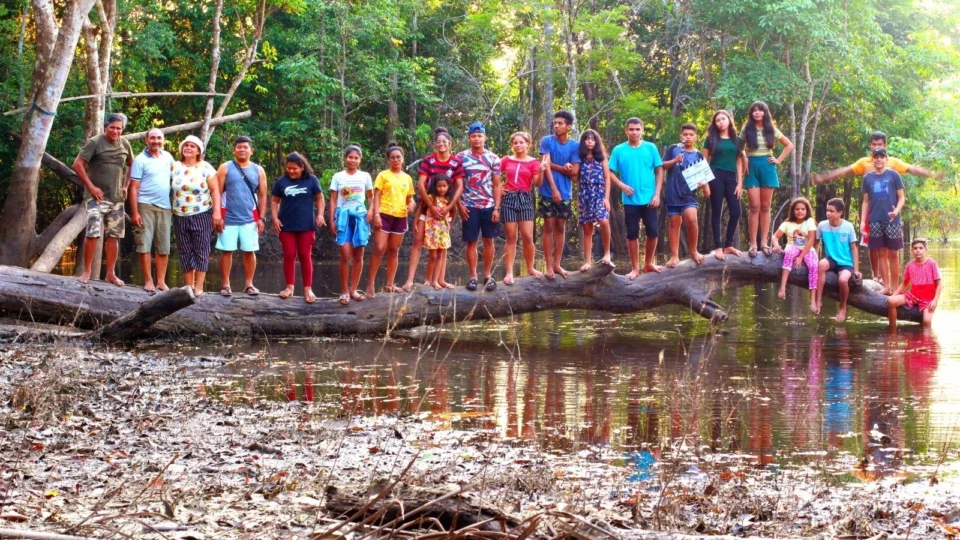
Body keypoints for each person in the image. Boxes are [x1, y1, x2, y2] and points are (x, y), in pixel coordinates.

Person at [813, 131, 943, 284]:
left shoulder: (893, 164)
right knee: (873, 246)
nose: (876, 147)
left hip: (890, 213)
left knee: (889, 251)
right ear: (870, 146)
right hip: (872, 212)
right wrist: (825, 177)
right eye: (874, 145)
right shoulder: (864, 163)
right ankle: (876, 276)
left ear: (885, 146)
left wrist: (932, 174)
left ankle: (889, 282)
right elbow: (846, 170)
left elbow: (912, 169)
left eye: (879, 145)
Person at [73, 113, 134, 286]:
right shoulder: (95, 142)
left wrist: (125, 185)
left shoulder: (125, 144)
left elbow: (131, 164)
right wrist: (91, 187)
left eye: (119, 128)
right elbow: (77, 164)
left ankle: (110, 274)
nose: (115, 131)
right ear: (105, 127)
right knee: (92, 233)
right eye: (112, 127)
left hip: (116, 198)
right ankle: (87, 272)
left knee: (114, 236)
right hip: (96, 197)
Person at [402, 127, 465, 291]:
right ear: (434, 144)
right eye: (438, 142)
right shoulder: (428, 160)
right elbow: (421, 184)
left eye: (444, 142)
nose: (441, 144)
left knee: (442, 246)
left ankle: (440, 280)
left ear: (450, 143)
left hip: (445, 209)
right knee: (417, 241)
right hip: (427, 207)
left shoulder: (456, 162)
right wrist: (430, 205)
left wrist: (450, 207)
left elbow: (459, 186)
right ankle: (409, 281)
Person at [609, 117, 663, 278]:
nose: (634, 132)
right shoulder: (619, 150)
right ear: (626, 131)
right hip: (630, 199)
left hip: (649, 198)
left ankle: (648, 263)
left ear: (642, 131)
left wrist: (657, 194)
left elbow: (659, 170)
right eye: (631, 129)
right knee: (632, 233)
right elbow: (609, 172)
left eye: (637, 129)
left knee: (653, 232)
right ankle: (634, 268)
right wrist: (621, 185)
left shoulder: (650, 148)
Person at [271, 152, 325, 304]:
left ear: (302, 167)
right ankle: (289, 287)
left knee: (304, 255)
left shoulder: (311, 180)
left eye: (294, 168)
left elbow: (320, 198)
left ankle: (308, 289)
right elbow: (274, 201)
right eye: (289, 168)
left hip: (306, 224)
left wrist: (320, 215)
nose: (291, 171)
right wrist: (275, 218)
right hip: (286, 225)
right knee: (289, 254)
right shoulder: (282, 181)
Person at [216, 135, 267, 296]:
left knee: (249, 251)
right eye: (239, 147)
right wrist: (217, 214)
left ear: (251, 150)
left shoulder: (258, 170)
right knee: (226, 250)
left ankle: (249, 284)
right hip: (227, 216)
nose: (242, 150)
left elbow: (263, 195)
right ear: (233, 150)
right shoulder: (225, 167)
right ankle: (225, 285)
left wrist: (262, 217)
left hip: (250, 217)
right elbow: (216, 192)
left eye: (245, 147)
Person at [741, 101, 793, 257]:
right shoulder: (746, 129)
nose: (757, 113)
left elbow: (789, 145)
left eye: (760, 110)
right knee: (754, 206)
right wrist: (744, 157)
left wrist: (778, 160)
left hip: (767, 166)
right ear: (751, 113)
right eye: (754, 110)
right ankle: (753, 244)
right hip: (751, 166)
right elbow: (739, 146)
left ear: (765, 112)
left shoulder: (771, 129)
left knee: (765, 206)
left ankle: (764, 243)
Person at [171, 135, 222, 296]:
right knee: (184, 250)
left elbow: (215, 191)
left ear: (198, 150)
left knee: (201, 249)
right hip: (179, 214)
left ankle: (199, 287)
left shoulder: (206, 167)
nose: (188, 148)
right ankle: (188, 287)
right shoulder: (175, 166)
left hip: (201, 213)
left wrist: (217, 212)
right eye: (186, 145)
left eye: (192, 146)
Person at [365, 143, 416, 297]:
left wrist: (412, 203)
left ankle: (389, 284)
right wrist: (376, 214)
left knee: (394, 250)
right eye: (392, 158)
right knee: (380, 248)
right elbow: (377, 196)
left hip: (400, 216)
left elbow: (409, 198)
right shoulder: (383, 175)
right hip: (384, 214)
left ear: (402, 159)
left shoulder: (407, 178)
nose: (395, 160)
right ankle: (371, 284)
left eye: (398, 157)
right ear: (388, 160)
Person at [457, 121, 502, 291]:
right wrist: (459, 204)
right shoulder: (461, 158)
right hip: (469, 205)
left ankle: (488, 275)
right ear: (469, 138)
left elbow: (497, 185)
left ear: (485, 137)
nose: (477, 139)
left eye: (480, 136)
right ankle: (473, 276)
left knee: (489, 240)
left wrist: (497, 207)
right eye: (474, 136)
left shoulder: (493, 158)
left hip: (489, 204)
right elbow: (456, 184)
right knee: (471, 242)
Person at [129, 128, 175, 294]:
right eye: (153, 138)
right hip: (145, 205)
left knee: (163, 246)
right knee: (145, 244)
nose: (156, 141)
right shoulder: (140, 160)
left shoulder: (168, 157)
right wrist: (135, 212)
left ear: (163, 140)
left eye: (159, 138)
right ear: (146, 140)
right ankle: (148, 280)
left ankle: (161, 281)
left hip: (165, 207)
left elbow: (178, 178)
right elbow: (133, 188)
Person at [328, 145, 373, 305]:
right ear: (345, 158)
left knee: (358, 255)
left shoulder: (365, 176)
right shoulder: (338, 176)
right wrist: (332, 219)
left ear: (360, 160)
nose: (352, 160)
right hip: (343, 218)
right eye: (350, 157)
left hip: (360, 218)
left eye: (356, 158)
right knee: (345, 254)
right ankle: (345, 291)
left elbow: (371, 198)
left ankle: (354, 289)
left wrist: (371, 212)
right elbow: (333, 199)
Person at [661, 123, 711, 267]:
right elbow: (662, 165)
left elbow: (703, 173)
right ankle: (674, 256)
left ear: (695, 137)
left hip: (690, 194)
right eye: (685, 135)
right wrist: (674, 160)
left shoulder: (698, 154)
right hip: (673, 192)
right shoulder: (673, 149)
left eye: (690, 135)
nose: (687, 137)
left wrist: (705, 186)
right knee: (674, 223)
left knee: (691, 219)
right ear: (680, 136)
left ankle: (694, 251)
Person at [539, 111, 580, 279]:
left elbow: (575, 172)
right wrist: (555, 187)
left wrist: (561, 168)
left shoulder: (575, 146)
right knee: (548, 226)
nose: (556, 126)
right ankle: (548, 266)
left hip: (566, 193)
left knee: (561, 227)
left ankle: (557, 265)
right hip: (548, 191)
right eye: (555, 123)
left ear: (568, 127)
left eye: (560, 123)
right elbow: (545, 165)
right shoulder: (547, 141)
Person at [860, 148, 906, 295]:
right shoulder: (867, 178)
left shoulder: (894, 175)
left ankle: (895, 288)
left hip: (892, 220)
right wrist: (862, 222)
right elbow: (866, 202)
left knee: (893, 254)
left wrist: (896, 211)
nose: (879, 160)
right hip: (874, 220)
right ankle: (886, 287)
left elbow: (901, 197)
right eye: (876, 157)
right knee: (881, 253)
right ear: (872, 159)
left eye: (882, 157)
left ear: (886, 159)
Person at [500, 131, 544, 285]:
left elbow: (537, 183)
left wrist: (543, 170)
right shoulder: (506, 160)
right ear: (512, 145)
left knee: (527, 236)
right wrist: (499, 187)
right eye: (515, 143)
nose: (518, 145)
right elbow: (494, 175)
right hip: (509, 198)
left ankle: (531, 267)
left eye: (521, 142)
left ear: (528, 144)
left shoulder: (533, 162)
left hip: (525, 198)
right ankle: (509, 272)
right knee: (511, 237)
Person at [701, 110, 745, 260]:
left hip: (732, 177)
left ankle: (729, 244)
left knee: (736, 211)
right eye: (718, 120)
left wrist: (740, 183)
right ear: (715, 123)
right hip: (715, 175)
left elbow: (739, 162)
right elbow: (703, 162)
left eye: (723, 119)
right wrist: (705, 183)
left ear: (729, 120)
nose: (721, 122)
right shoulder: (710, 139)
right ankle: (718, 246)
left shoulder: (738, 140)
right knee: (717, 212)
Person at [814, 198, 861, 322]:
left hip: (846, 262)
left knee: (842, 280)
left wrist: (856, 269)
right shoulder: (822, 225)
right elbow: (816, 244)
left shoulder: (848, 226)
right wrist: (814, 260)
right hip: (831, 259)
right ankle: (818, 300)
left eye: (832, 211)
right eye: (827, 210)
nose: (828, 213)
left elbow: (853, 248)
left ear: (840, 213)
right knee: (821, 265)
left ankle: (842, 307)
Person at [771, 197, 818, 310]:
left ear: (807, 210)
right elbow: (774, 236)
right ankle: (782, 287)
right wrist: (776, 245)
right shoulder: (788, 223)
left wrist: (801, 257)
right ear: (793, 210)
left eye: (803, 209)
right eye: (797, 209)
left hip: (807, 249)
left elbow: (811, 240)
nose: (800, 211)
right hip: (793, 246)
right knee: (789, 254)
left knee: (814, 266)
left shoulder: (810, 221)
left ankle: (812, 301)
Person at [577, 129, 613, 271]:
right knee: (587, 227)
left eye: (593, 139)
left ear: (596, 141)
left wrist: (606, 198)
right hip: (584, 194)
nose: (590, 141)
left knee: (604, 221)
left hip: (599, 193)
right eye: (587, 139)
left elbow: (607, 178)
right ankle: (587, 260)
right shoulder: (580, 157)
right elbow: (575, 175)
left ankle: (607, 254)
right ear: (583, 141)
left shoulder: (602, 157)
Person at [887, 238, 942, 327]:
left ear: (926, 249)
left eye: (921, 248)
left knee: (927, 322)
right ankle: (892, 330)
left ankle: (926, 340)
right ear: (911, 250)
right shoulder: (910, 265)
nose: (918, 251)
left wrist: (935, 301)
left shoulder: (932, 264)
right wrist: (894, 295)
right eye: (915, 248)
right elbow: (904, 283)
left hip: (927, 299)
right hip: (913, 296)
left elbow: (939, 285)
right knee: (891, 301)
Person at [424, 175, 453, 290]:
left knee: (440, 255)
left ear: (448, 186)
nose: (442, 189)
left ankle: (436, 281)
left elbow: (451, 214)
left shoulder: (449, 200)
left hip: (443, 231)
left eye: (444, 186)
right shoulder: (431, 198)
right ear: (435, 187)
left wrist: (448, 225)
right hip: (432, 230)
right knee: (433, 256)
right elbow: (422, 209)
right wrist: (416, 222)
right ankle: (428, 279)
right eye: (439, 186)